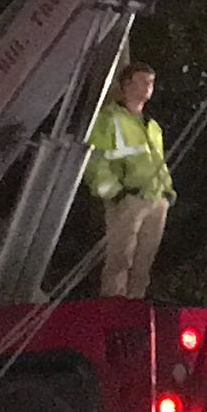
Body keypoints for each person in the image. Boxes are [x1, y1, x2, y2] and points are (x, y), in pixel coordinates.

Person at [84, 63, 173, 298]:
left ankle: (134, 307)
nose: (149, 87)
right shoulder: (109, 118)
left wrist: (167, 191)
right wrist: (115, 193)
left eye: (151, 82)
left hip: (155, 200)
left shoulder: (151, 126)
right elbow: (95, 160)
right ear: (127, 84)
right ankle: (114, 307)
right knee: (120, 259)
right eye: (143, 81)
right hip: (128, 199)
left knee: (144, 263)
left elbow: (156, 161)